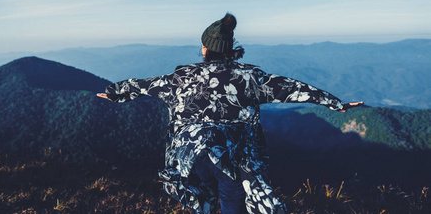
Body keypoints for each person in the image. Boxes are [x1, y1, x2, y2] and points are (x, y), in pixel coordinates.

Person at [97, 13, 363, 214]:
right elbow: (293, 89)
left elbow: (144, 85)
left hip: (191, 155)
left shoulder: (181, 77)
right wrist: (335, 103)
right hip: (235, 156)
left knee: (203, 199)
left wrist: (114, 91)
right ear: (229, 49)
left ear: (204, 48)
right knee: (232, 201)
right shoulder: (249, 78)